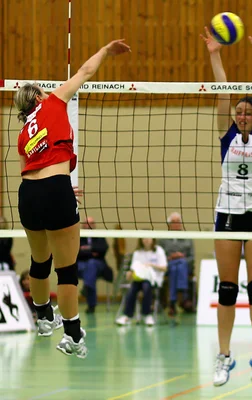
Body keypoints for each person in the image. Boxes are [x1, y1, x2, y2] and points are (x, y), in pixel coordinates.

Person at [14, 39, 130, 358]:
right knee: (66, 270)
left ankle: (43, 316)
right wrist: (106, 50)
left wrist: (58, 184)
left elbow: (29, 171)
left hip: (28, 195)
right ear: (38, 96)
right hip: (55, 190)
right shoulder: (53, 100)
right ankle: (72, 335)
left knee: (40, 261)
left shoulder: (23, 133)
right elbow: (85, 71)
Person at [201, 26, 252, 386]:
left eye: (248, 111)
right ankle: (224, 355)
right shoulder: (226, 133)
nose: (243, 114)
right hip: (227, 214)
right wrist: (215, 55)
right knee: (228, 288)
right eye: (239, 111)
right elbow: (223, 94)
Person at [115, 238, 167, 326]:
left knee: (146, 286)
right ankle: (127, 315)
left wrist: (151, 265)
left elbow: (164, 268)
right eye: (144, 238)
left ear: (152, 239)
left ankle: (147, 315)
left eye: (148, 238)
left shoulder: (159, 250)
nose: (146, 240)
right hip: (139, 279)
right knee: (132, 289)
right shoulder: (137, 252)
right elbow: (133, 269)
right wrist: (129, 274)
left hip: (154, 279)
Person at [77, 216, 112, 314]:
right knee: (90, 271)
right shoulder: (77, 236)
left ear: (94, 225)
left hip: (99, 265)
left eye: (91, 223)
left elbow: (103, 249)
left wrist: (85, 249)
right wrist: (92, 251)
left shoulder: (99, 235)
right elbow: (76, 252)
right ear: (83, 225)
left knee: (92, 265)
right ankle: (90, 302)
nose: (88, 225)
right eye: (86, 223)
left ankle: (87, 288)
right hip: (81, 265)